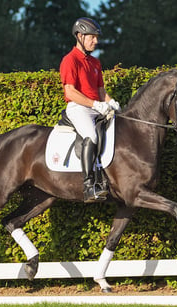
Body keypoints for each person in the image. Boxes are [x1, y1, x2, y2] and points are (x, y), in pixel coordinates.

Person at [59, 17, 121, 203]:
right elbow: (70, 91)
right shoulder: (70, 60)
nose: (96, 41)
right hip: (79, 108)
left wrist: (112, 103)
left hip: (96, 107)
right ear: (79, 36)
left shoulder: (95, 63)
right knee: (91, 136)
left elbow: (101, 92)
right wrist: (95, 105)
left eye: (96, 38)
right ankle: (88, 186)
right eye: (92, 37)